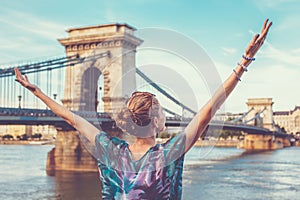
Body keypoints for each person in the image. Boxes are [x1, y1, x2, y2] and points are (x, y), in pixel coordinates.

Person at [14, 19, 272, 200]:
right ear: (157, 121)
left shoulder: (110, 149)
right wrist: (244, 62)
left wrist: (35, 91)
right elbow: (208, 111)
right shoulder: (168, 154)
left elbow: (71, 118)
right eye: (161, 111)